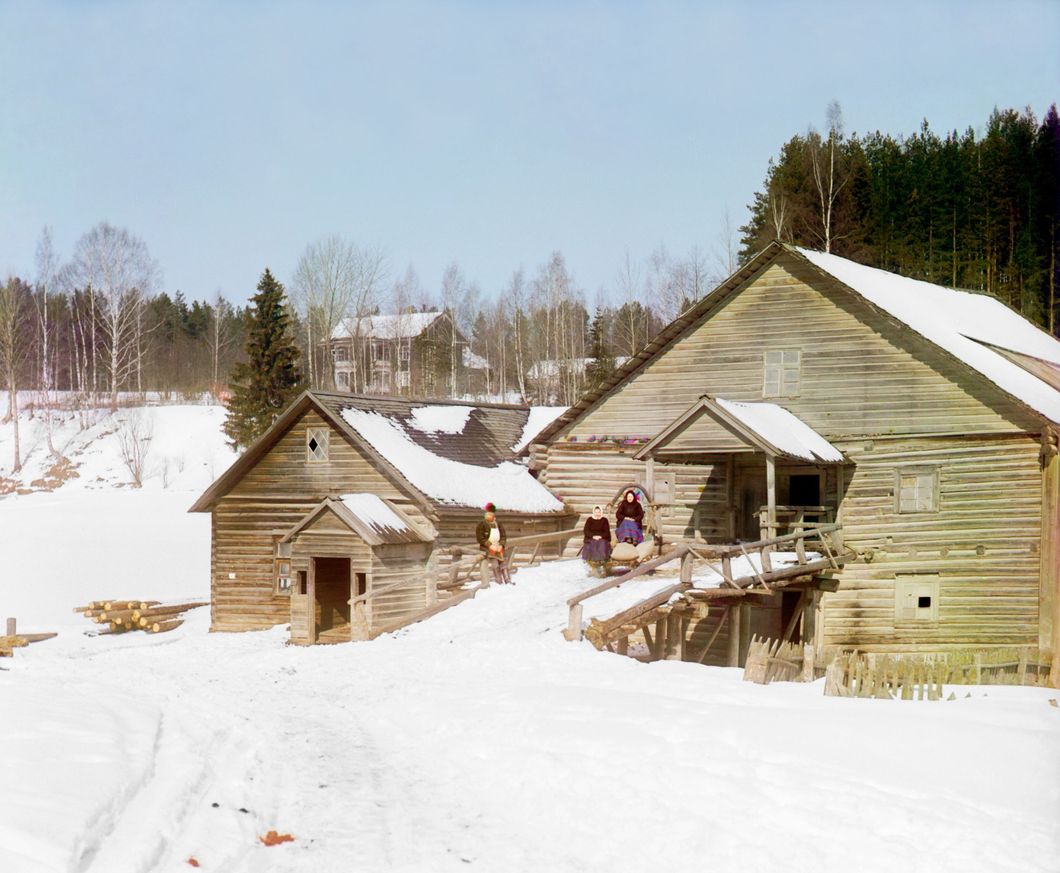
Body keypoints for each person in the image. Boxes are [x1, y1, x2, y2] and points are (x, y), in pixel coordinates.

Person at [475, 502, 512, 584]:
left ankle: (507, 579)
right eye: (488, 514)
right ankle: (498, 580)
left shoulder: (498, 524)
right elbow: (480, 538)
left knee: (503, 561)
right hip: (487, 548)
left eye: (491, 514)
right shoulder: (482, 525)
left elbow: (503, 536)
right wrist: (490, 545)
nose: (489, 516)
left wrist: (501, 544)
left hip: (498, 547)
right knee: (495, 562)